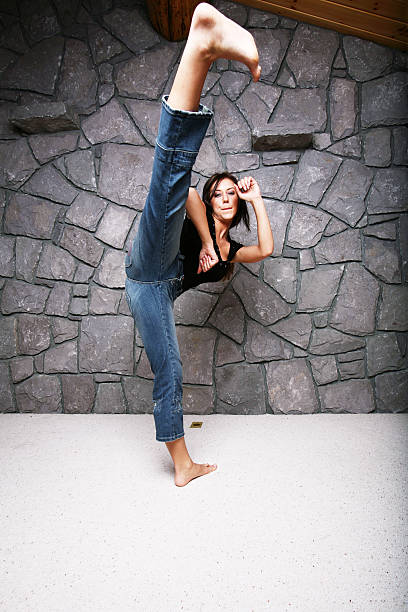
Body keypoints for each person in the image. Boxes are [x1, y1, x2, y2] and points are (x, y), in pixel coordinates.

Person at [125, 2, 273, 487]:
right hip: (151, 266)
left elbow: (266, 250)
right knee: (170, 182)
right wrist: (207, 238)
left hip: (156, 290)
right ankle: (202, 46)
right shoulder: (200, 214)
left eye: (234, 193)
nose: (227, 196)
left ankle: (183, 466)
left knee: (169, 369)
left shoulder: (232, 252)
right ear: (212, 199)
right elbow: (187, 191)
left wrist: (259, 199)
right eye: (222, 191)